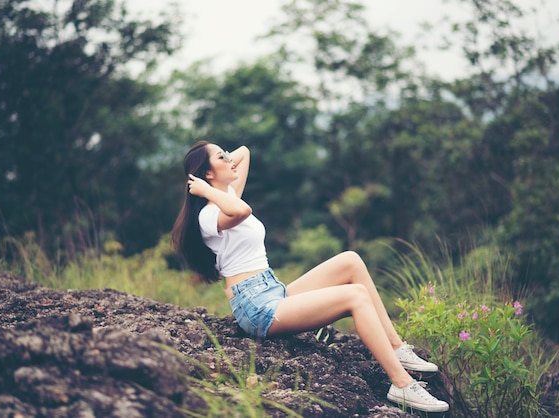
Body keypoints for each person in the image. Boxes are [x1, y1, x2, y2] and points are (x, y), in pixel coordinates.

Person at [171, 141, 449, 413]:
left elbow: (244, 152)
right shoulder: (208, 216)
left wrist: (220, 166)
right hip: (256, 307)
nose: (230, 160)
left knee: (350, 261)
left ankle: (396, 346)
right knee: (355, 296)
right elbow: (243, 211)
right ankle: (401, 383)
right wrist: (206, 190)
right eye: (222, 158)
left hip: (272, 290)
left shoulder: (228, 195)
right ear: (208, 174)